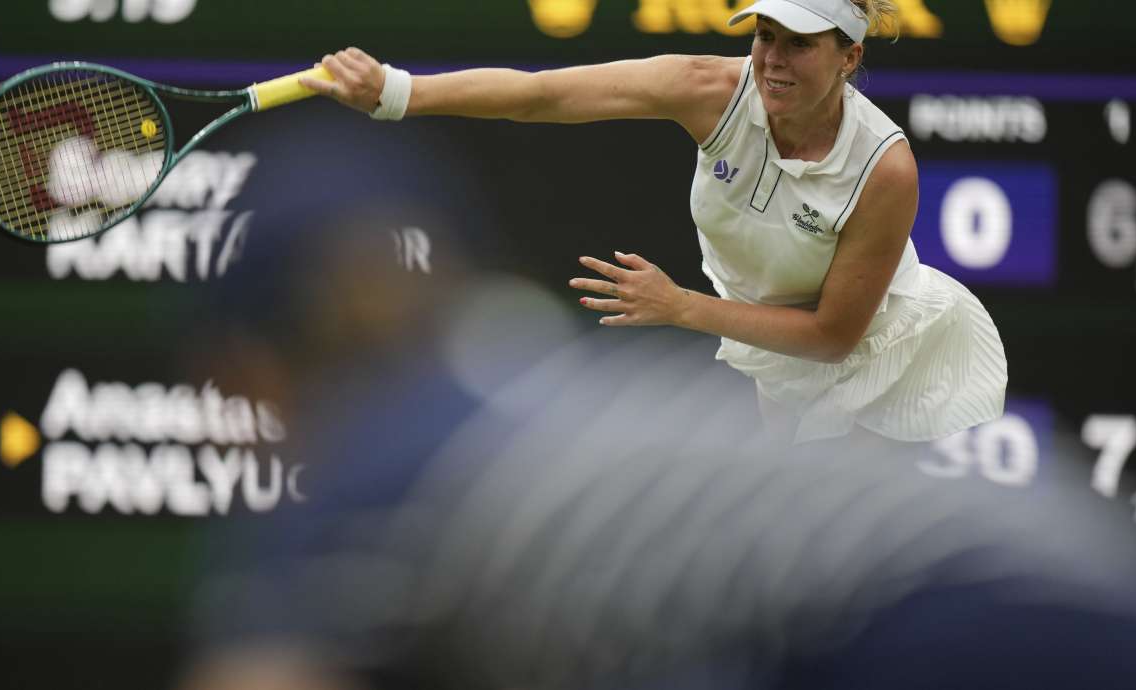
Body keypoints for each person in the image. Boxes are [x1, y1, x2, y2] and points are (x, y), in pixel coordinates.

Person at [299, 0, 1007, 445]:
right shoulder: (707, 86)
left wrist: (680, 307)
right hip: (776, 350)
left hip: (886, 365)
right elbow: (542, 96)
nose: (773, 58)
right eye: (765, 34)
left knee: (856, 570)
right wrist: (393, 92)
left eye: (800, 42)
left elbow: (832, 337)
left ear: (850, 56)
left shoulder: (885, 169)